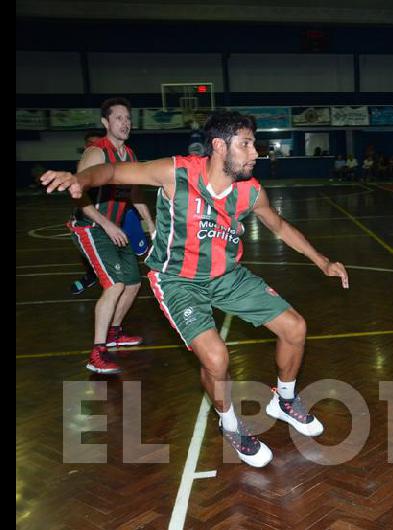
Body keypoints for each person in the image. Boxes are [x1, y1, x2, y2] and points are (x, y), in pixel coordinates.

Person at [42, 111, 350, 467]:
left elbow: (280, 227)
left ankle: (283, 400)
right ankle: (231, 424)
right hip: (177, 281)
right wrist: (80, 179)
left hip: (226, 275)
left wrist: (322, 260)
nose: (255, 153)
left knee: (295, 327)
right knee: (217, 358)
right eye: (247, 145)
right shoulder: (177, 171)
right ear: (220, 146)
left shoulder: (250, 191)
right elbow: (112, 172)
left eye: (254, 145)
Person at [65, 98, 155, 374]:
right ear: (106, 123)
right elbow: (77, 192)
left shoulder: (129, 153)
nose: (125, 123)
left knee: (132, 283)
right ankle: (97, 352)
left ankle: (114, 333)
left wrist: (149, 223)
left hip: (114, 228)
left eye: (128, 118)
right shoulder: (96, 152)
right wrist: (107, 224)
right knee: (114, 284)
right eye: (119, 118)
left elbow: (136, 192)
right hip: (91, 227)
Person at [70, 130, 105, 296]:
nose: (94, 147)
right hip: (86, 214)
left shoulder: (110, 165)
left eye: (97, 144)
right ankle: (91, 275)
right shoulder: (83, 164)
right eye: (91, 143)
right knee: (86, 248)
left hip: (108, 214)